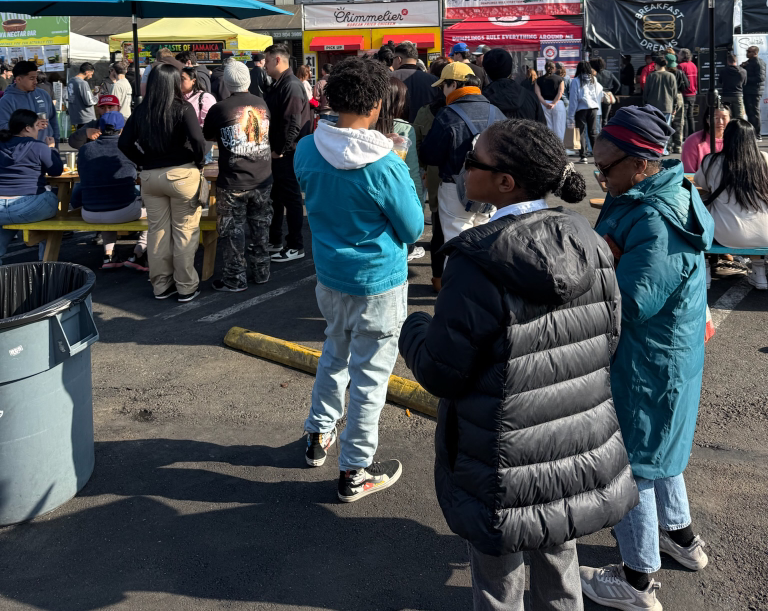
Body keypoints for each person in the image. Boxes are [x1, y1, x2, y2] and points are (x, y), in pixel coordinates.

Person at [399, 120, 637, 611]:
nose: (463, 168)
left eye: (472, 161)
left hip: (499, 455)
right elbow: (609, 336)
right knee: (559, 549)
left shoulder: (475, 260)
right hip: (574, 443)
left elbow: (442, 371)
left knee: (497, 578)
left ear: (505, 182)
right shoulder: (588, 240)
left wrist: (414, 327)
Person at [582, 107, 714, 610]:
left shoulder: (655, 219)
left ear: (640, 163)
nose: (601, 178)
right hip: (667, 353)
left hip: (646, 359)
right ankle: (681, 538)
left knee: (632, 462)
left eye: (606, 168)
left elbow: (632, 301)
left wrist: (591, 271)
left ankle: (637, 580)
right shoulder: (665, 193)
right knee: (661, 449)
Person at [294, 58, 423, 502]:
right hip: (378, 280)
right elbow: (412, 228)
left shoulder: (307, 148)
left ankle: (318, 433)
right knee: (370, 377)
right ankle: (355, 469)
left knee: (335, 350)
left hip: (330, 274)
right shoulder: (385, 163)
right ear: (376, 104)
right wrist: (398, 165)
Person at [119, 62, 206, 302]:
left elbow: (124, 143)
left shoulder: (141, 110)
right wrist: (198, 161)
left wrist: (143, 161)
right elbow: (198, 140)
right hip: (181, 175)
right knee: (184, 232)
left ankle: (161, 286)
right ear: (174, 83)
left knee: (157, 232)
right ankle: (186, 286)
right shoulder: (183, 107)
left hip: (150, 177)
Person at [203, 60, 273, 292]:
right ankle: (262, 272)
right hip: (262, 177)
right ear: (248, 80)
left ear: (226, 82)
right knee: (261, 226)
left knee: (232, 231)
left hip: (233, 181)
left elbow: (209, 135)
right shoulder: (261, 104)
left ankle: (235, 279)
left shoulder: (219, 108)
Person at [420, 62, 505, 242]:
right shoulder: (496, 112)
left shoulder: (447, 114)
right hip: (491, 185)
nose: (442, 92)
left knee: (457, 243)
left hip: (455, 187)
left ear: (454, 85)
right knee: (485, 240)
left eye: (443, 86)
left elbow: (430, 156)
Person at [695, 119, 768, 290]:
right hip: (764, 234)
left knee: (699, 211)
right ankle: (759, 273)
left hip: (725, 234)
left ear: (727, 138)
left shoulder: (711, 161)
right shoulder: (765, 159)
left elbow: (701, 183)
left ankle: (705, 269)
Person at [74, 110, 144, 270]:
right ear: (122, 129)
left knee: (107, 200)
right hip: (123, 211)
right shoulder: (129, 147)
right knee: (157, 211)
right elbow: (144, 166)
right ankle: (139, 253)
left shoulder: (85, 149)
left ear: (100, 128)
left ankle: (109, 255)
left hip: (89, 213)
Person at [264, 43, 311, 263]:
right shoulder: (280, 84)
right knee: (276, 198)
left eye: (266, 60)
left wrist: (279, 150)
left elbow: (292, 123)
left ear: (277, 60)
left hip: (287, 153)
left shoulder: (290, 85)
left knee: (291, 199)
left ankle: (295, 245)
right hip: (281, 153)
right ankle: (275, 240)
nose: (264, 65)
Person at [0, 109, 63, 263]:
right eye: (36, 126)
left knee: (6, 220)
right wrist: (51, 148)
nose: (37, 130)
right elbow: (56, 170)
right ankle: (45, 261)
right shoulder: (38, 146)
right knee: (52, 197)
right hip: (29, 206)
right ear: (28, 128)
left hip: (1, 206)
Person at [376, 75, 424, 262]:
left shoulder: (365, 126)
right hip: (397, 197)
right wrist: (418, 208)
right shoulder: (403, 128)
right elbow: (412, 173)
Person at [413, 56, 450, 292]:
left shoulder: (427, 112)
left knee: (439, 229)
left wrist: (424, 169)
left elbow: (417, 145)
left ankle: (438, 278)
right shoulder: (466, 110)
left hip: (436, 177)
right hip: (466, 181)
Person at [0, 61, 59, 146]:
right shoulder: (6, 101)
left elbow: (53, 120)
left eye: (36, 78)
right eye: (32, 78)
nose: (35, 81)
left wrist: (56, 142)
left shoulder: (43, 94)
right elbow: (2, 127)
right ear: (18, 79)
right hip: (21, 149)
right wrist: (31, 124)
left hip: (47, 147)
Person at [481, 48, 545, 123]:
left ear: (486, 70)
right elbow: (542, 126)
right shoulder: (531, 97)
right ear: (510, 67)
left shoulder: (482, 99)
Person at [390, 41, 438, 123]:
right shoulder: (434, 80)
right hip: (426, 128)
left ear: (399, 59)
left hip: (395, 128)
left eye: (393, 59)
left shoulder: (389, 78)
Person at [569, 60, 604, 163]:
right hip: (593, 108)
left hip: (581, 109)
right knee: (593, 133)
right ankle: (597, 156)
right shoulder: (594, 79)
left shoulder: (576, 81)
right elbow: (598, 93)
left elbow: (573, 99)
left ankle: (583, 156)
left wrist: (571, 114)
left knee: (581, 132)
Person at [180, 66, 216, 162]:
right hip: (181, 147)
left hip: (201, 146)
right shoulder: (177, 98)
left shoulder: (204, 98)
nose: (179, 82)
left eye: (182, 79)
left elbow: (209, 125)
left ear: (193, 81)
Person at [682, 104, 730, 173]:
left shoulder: (734, 140)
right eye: (716, 118)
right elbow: (688, 172)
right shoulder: (693, 141)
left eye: (724, 118)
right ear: (707, 119)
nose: (720, 122)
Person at [642, 55, 678, 136]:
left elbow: (645, 93)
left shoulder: (651, 76)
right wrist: (674, 107)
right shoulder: (671, 76)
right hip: (667, 107)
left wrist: (645, 105)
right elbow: (674, 94)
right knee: (665, 132)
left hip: (652, 108)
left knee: (653, 132)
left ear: (656, 64)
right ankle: (664, 145)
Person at [665, 53, 690, 154]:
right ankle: (678, 146)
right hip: (679, 96)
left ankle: (669, 145)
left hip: (668, 97)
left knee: (668, 122)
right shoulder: (679, 72)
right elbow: (687, 85)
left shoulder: (664, 74)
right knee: (679, 122)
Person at [535, 59, 566, 139]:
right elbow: (560, 92)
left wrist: (545, 104)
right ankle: (559, 145)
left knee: (548, 128)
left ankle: (549, 145)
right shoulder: (560, 79)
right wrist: (553, 103)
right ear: (554, 68)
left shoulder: (538, 80)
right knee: (559, 128)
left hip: (544, 104)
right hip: (558, 104)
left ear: (545, 68)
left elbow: (538, 94)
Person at [742, 45, 766, 137]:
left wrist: (745, 79)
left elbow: (760, 78)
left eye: (749, 51)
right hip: (748, 90)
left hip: (754, 91)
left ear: (755, 53)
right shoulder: (748, 62)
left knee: (754, 113)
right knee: (750, 112)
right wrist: (742, 66)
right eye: (747, 51)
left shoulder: (758, 62)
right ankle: (751, 133)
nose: (747, 53)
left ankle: (757, 134)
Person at [591, 57, 620, 126]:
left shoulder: (594, 75)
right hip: (607, 96)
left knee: (597, 117)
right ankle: (604, 131)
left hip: (597, 97)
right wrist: (612, 92)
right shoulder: (609, 73)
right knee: (605, 119)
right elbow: (618, 84)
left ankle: (598, 131)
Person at [66, 62, 97, 128]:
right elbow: (89, 101)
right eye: (91, 74)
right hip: (86, 118)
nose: (91, 77)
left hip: (76, 117)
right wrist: (97, 96)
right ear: (87, 72)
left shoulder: (71, 81)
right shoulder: (83, 83)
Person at [719, 52, 747, 122]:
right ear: (736, 61)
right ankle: (738, 128)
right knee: (739, 117)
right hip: (738, 95)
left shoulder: (723, 71)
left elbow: (720, 81)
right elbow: (744, 83)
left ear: (728, 61)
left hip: (726, 95)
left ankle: (728, 128)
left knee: (726, 115)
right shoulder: (743, 71)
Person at [677, 49, 698, 139]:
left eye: (679, 54)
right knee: (691, 116)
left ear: (683, 56)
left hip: (685, 94)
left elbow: (678, 80)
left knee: (684, 116)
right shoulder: (693, 65)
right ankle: (692, 135)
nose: (678, 56)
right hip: (693, 93)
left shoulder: (681, 66)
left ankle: (685, 137)